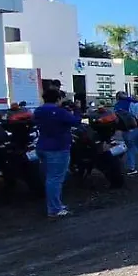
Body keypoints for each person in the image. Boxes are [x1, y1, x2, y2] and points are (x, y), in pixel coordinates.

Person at [33, 88, 81, 218]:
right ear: (58, 99)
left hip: (42, 146)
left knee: (51, 177)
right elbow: (76, 121)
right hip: (58, 148)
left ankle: (56, 204)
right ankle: (54, 209)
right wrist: (77, 109)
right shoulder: (60, 112)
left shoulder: (38, 111)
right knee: (55, 179)